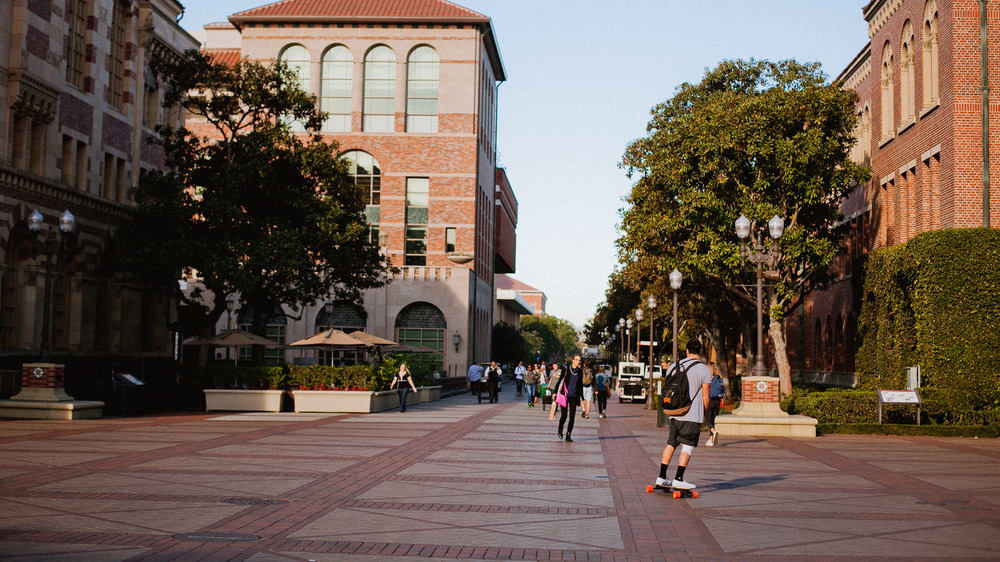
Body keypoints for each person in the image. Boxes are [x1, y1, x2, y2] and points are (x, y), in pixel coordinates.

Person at [654, 339, 713, 490]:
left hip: (675, 413)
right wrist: (704, 415)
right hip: (692, 415)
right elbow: (706, 396)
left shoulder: (674, 366)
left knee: (671, 444)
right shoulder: (704, 370)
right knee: (687, 447)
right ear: (700, 351)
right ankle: (679, 478)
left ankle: (661, 477)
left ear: (686, 351)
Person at [556, 355, 584, 441]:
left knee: (572, 416)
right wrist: (554, 392)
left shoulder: (580, 371)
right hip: (565, 395)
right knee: (564, 416)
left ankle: (568, 435)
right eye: (576, 360)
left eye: (579, 360)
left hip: (574, 396)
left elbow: (580, 385)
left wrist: (582, 398)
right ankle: (560, 429)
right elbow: (560, 380)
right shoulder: (566, 369)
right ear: (572, 360)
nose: (578, 361)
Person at [706, 362, 725, 446]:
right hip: (717, 400)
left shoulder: (708, 378)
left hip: (709, 400)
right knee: (712, 420)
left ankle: (714, 431)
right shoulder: (719, 378)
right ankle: (711, 440)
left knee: (708, 420)